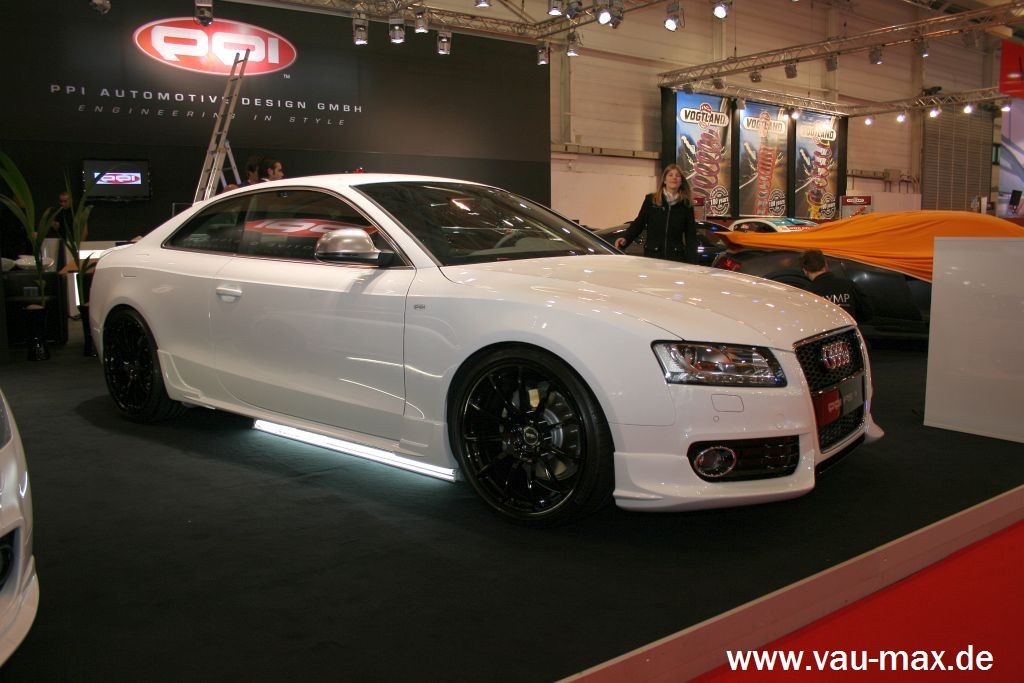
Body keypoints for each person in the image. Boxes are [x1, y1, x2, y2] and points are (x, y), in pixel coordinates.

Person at [614, 164, 698, 264]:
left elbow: (691, 236)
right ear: (664, 180)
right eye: (670, 175)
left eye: (677, 175)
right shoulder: (651, 200)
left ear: (681, 181)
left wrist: (692, 262)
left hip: (676, 258)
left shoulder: (686, 204)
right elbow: (639, 222)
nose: (674, 177)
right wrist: (626, 238)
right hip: (653, 257)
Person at [800, 249, 863, 321]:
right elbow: (866, 312)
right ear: (826, 264)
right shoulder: (848, 285)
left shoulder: (807, 294)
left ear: (805, 271)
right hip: (850, 327)